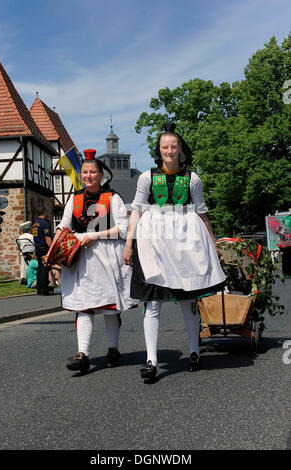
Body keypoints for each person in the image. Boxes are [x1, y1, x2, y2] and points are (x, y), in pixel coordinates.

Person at [123, 123, 226, 379]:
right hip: (154, 244)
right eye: (165, 147)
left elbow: (202, 213)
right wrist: (128, 243)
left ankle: (194, 351)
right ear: (159, 151)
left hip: (184, 244)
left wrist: (213, 245)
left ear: (180, 149)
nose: (169, 151)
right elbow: (136, 210)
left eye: (174, 146)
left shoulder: (193, 179)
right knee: (153, 302)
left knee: (188, 301)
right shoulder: (147, 178)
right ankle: (151, 360)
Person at [43, 149, 135, 374]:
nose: (88, 176)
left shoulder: (113, 198)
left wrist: (94, 235)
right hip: (80, 259)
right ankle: (82, 353)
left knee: (111, 306)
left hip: (107, 256)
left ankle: (112, 349)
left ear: (101, 174)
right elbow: (64, 226)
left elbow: (124, 228)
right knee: (83, 305)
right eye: (85, 172)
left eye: (93, 171)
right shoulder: (73, 199)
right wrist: (53, 251)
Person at [32, 207, 53, 295]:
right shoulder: (45, 223)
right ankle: (44, 289)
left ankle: (39, 289)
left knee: (40, 269)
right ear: (44, 212)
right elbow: (47, 237)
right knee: (45, 268)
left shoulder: (35, 223)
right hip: (44, 248)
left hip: (37, 248)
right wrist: (52, 248)